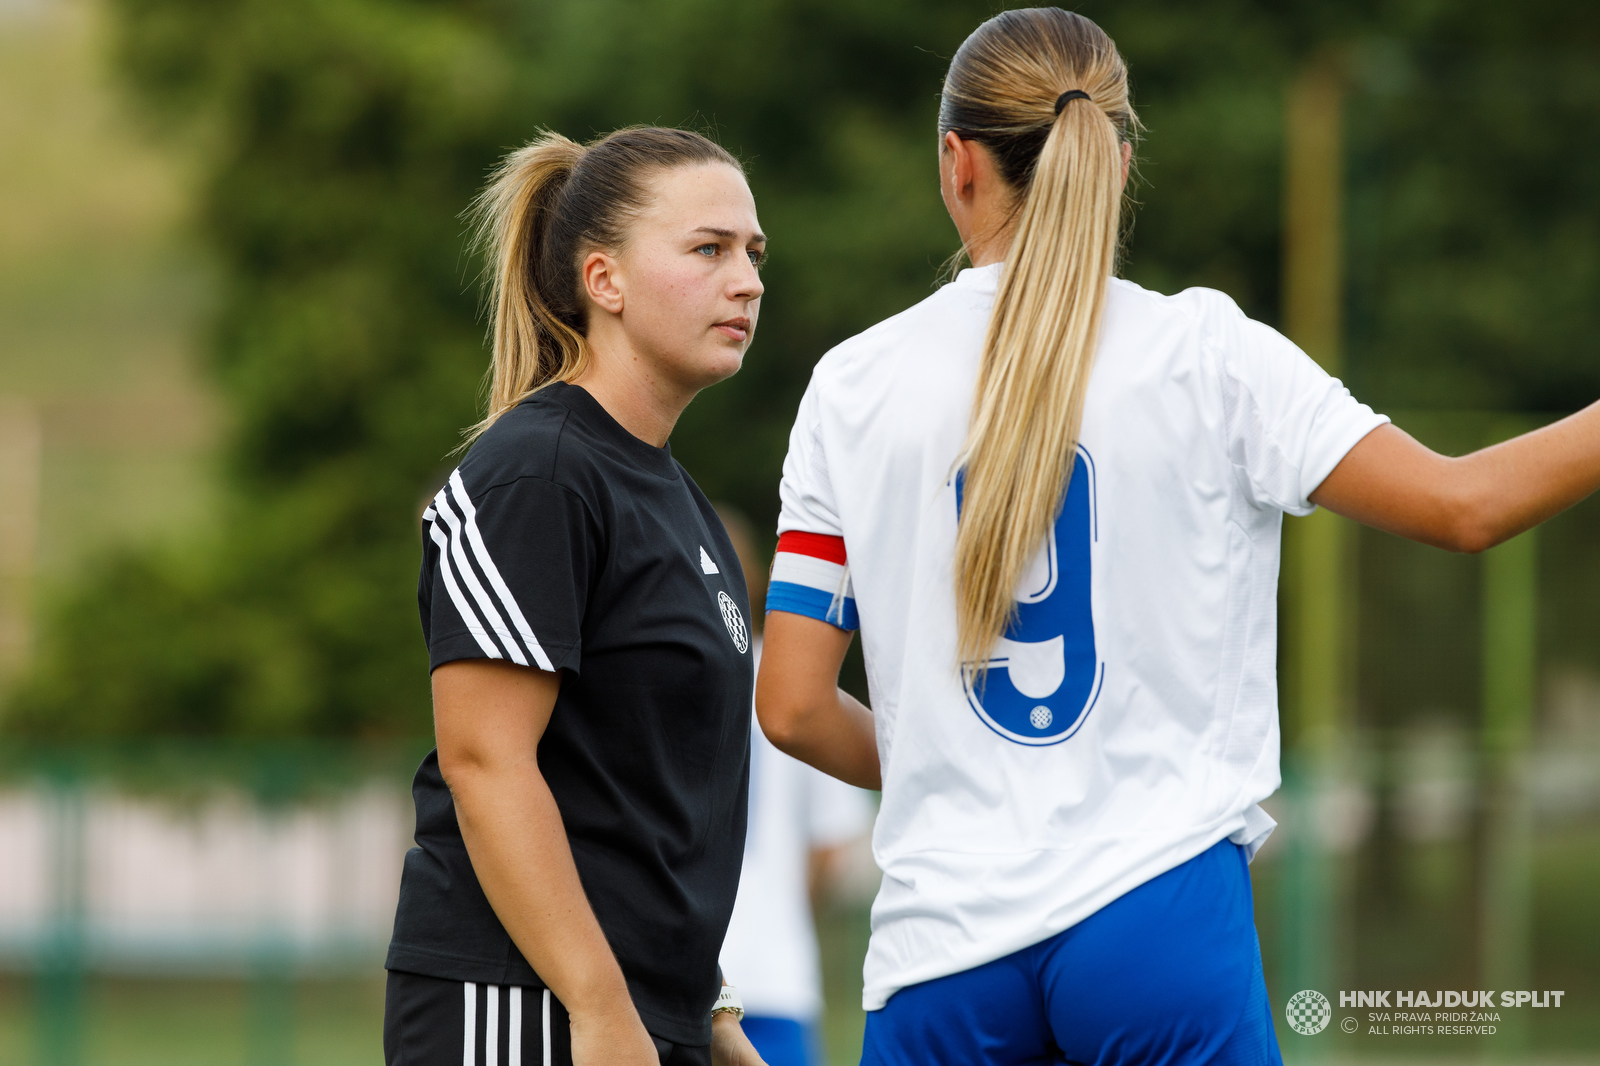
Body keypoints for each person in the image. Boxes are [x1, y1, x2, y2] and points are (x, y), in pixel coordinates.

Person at [755, 9, 1600, 1066]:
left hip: (940, 952)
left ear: (954, 164)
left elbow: (789, 705)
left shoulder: (853, 384)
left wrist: (958, 762)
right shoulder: (1208, 354)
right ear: (1117, 159)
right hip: (1155, 915)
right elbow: (1463, 506)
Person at [383, 126, 770, 1066]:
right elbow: (485, 763)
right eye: (709, 249)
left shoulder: (685, 506)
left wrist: (713, 1021)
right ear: (605, 281)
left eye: (755, 253)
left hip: (645, 1018)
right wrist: (598, 1008)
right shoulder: (539, 474)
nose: (749, 280)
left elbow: (646, 803)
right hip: (522, 1005)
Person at [714, 508, 877, 1066]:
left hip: (672, 978)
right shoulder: (792, 685)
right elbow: (833, 842)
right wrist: (782, 901)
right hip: (776, 969)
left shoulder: (639, 677)